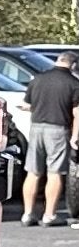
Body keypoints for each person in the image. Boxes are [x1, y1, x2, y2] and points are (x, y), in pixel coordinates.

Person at [27, 49, 79, 228]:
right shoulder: (73, 83)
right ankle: (49, 215)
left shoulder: (38, 79)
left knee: (33, 172)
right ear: (73, 65)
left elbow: (28, 105)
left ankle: (27, 214)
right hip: (57, 129)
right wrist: (75, 137)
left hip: (36, 128)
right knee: (54, 172)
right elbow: (76, 112)